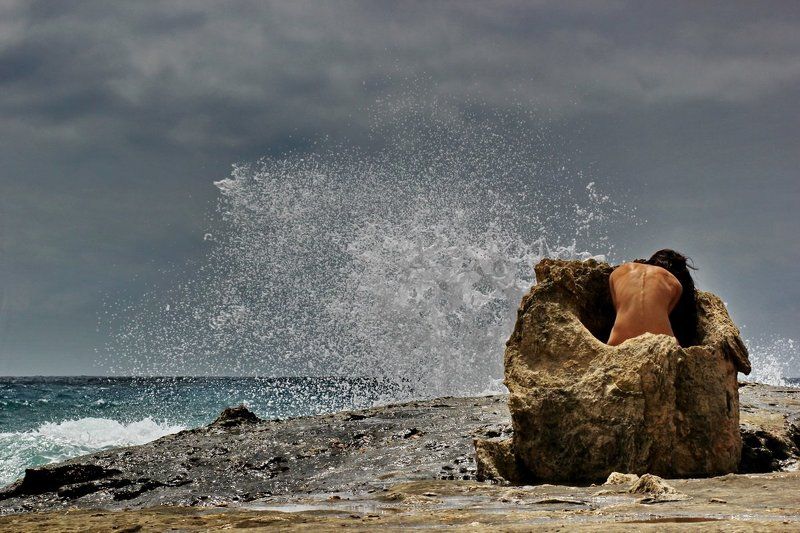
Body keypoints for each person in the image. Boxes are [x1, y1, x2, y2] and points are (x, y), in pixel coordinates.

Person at [607, 249, 698, 347]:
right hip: (661, 345)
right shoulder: (676, 284)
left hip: (617, 343)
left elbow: (618, 309)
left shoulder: (617, 273)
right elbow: (665, 315)